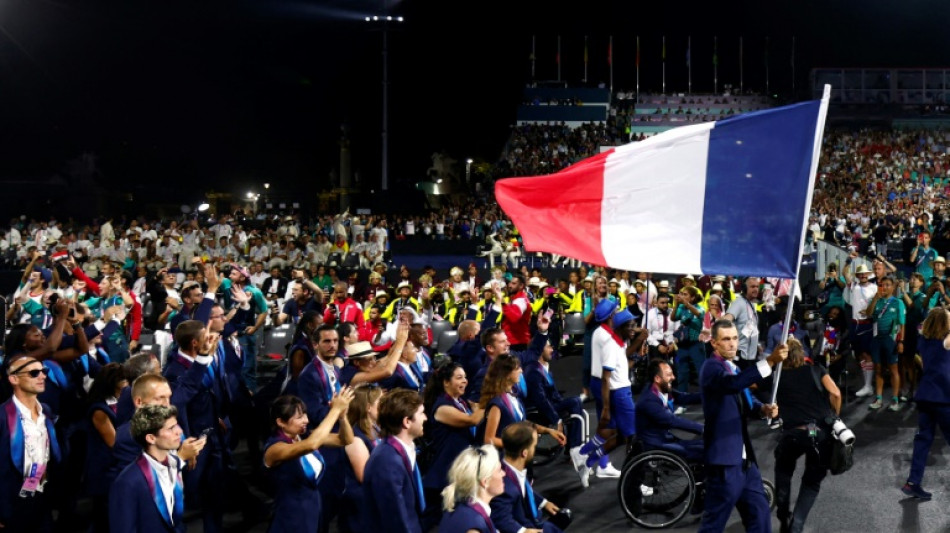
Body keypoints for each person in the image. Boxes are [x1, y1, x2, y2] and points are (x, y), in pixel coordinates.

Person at [698, 319, 787, 533]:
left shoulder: (733, 367)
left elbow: (746, 399)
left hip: (745, 463)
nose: (732, 344)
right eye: (726, 339)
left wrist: (762, 409)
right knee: (714, 524)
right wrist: (770, 361)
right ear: (714, 343)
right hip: (724, 463)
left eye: (735, 338)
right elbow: (732, 385)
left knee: (760, 515)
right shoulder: (711, 368)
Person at [770, 339, 841, 533]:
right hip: (816, 432)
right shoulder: (816, 370)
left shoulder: (776, 377)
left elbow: (751, 386)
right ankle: (797, 525)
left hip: (792, 433)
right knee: (811, 481)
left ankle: (783, 514)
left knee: (783, 472)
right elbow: (835, 393)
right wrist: (835, 417)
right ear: (802, 353)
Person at [263, 391, 354, 533]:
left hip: (313, 511)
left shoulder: (302, 436)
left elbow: (345, 439)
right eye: (299, 417)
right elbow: (313, 444)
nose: (306, 420)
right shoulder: (274, 448)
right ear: (280, 422)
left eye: (305, 414)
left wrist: (342, 417)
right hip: (291, 518)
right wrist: (334, 411)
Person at [0, 355, 61, 532]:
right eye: (34, 373)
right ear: (14, 379)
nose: (43, 376)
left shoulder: (46, 411)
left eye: (44, 371)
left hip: (41, 494)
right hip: (11, 503)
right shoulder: (3, 418)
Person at [422, 361, 485, 521]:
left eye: (465, 377)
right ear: (446, 382)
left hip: (457, 468)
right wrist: (486, 400)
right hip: (444, 473)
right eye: (459, 378)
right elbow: (472, 420)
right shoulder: (442, 407)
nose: (465, 381)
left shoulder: (460, 402)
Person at [109, 405, 186, 533]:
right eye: (171, 428)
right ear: (151, 438)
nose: (179, 431)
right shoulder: (128, 482)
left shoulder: (175, 465)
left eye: (176, 425)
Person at [363, 388, 428, 533]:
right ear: (407, 421)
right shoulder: (387, 461)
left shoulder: (404, 449)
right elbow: (395, 519)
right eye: (421, 413)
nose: (425, 418)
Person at [902, 307, 950, 501]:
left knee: (923, 441)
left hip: (925, 397)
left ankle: (913, 483)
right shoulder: (946, 342)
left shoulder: (924, 340)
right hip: (943, 399)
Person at [479, 353, 565, 450]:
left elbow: (522, 422)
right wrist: (518, 445)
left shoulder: (513, 396)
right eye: (517, 368)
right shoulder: (497, 404)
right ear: (506, 375)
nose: (521, 370)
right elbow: (489, 439)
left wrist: (548, 431)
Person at [491, 422, 563, 533]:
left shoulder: (510, 466)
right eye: (534, 446)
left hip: (532, 521)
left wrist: (543, 502)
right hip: (525, 525)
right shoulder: (503, 486)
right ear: (524, 453)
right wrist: (523, 531)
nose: (535, 449)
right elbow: (501, 519)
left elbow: (523, 489)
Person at [84, 362, 128, 533]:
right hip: (105, 469)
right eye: (124, 380)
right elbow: (114, 442)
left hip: (117, 466)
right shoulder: (100, 410)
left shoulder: (123, 401)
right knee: (104, 517)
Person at [635, 358, 704, 462]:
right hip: (656, 445)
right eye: (669, 375)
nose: (673, 377)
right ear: (657, 378)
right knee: (703, 450)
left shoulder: (659, 389)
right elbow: (672, 420)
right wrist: (702, 428)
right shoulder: (649, 401)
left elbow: (683, 397)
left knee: (705, 444)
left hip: (665, 438)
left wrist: (709, 395)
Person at [340, 385, 384, 533]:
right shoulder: (356, 437)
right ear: (368, 407)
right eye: (381, 402)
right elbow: (364, 476)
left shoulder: (377, 429)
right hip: (361, 508)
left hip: (374, 500)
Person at [438, 444, 506, 533]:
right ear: (485, 482)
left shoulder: (460, 506)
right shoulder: (474, 526)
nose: (504, 474)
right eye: (499, 470)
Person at [862, 275, 906, 410]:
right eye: (883, 285)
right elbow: (868, 313)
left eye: (888, 285)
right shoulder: (878, 301)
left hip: (890, 339)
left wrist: (901, 341)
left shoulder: (897, 302)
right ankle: (879, 398)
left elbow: (902, 324)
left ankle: (894, 399)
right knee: (878, 369)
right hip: (876, 339)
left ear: (893, 287)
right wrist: (875, 299)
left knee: (893, 369)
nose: (885, 287)